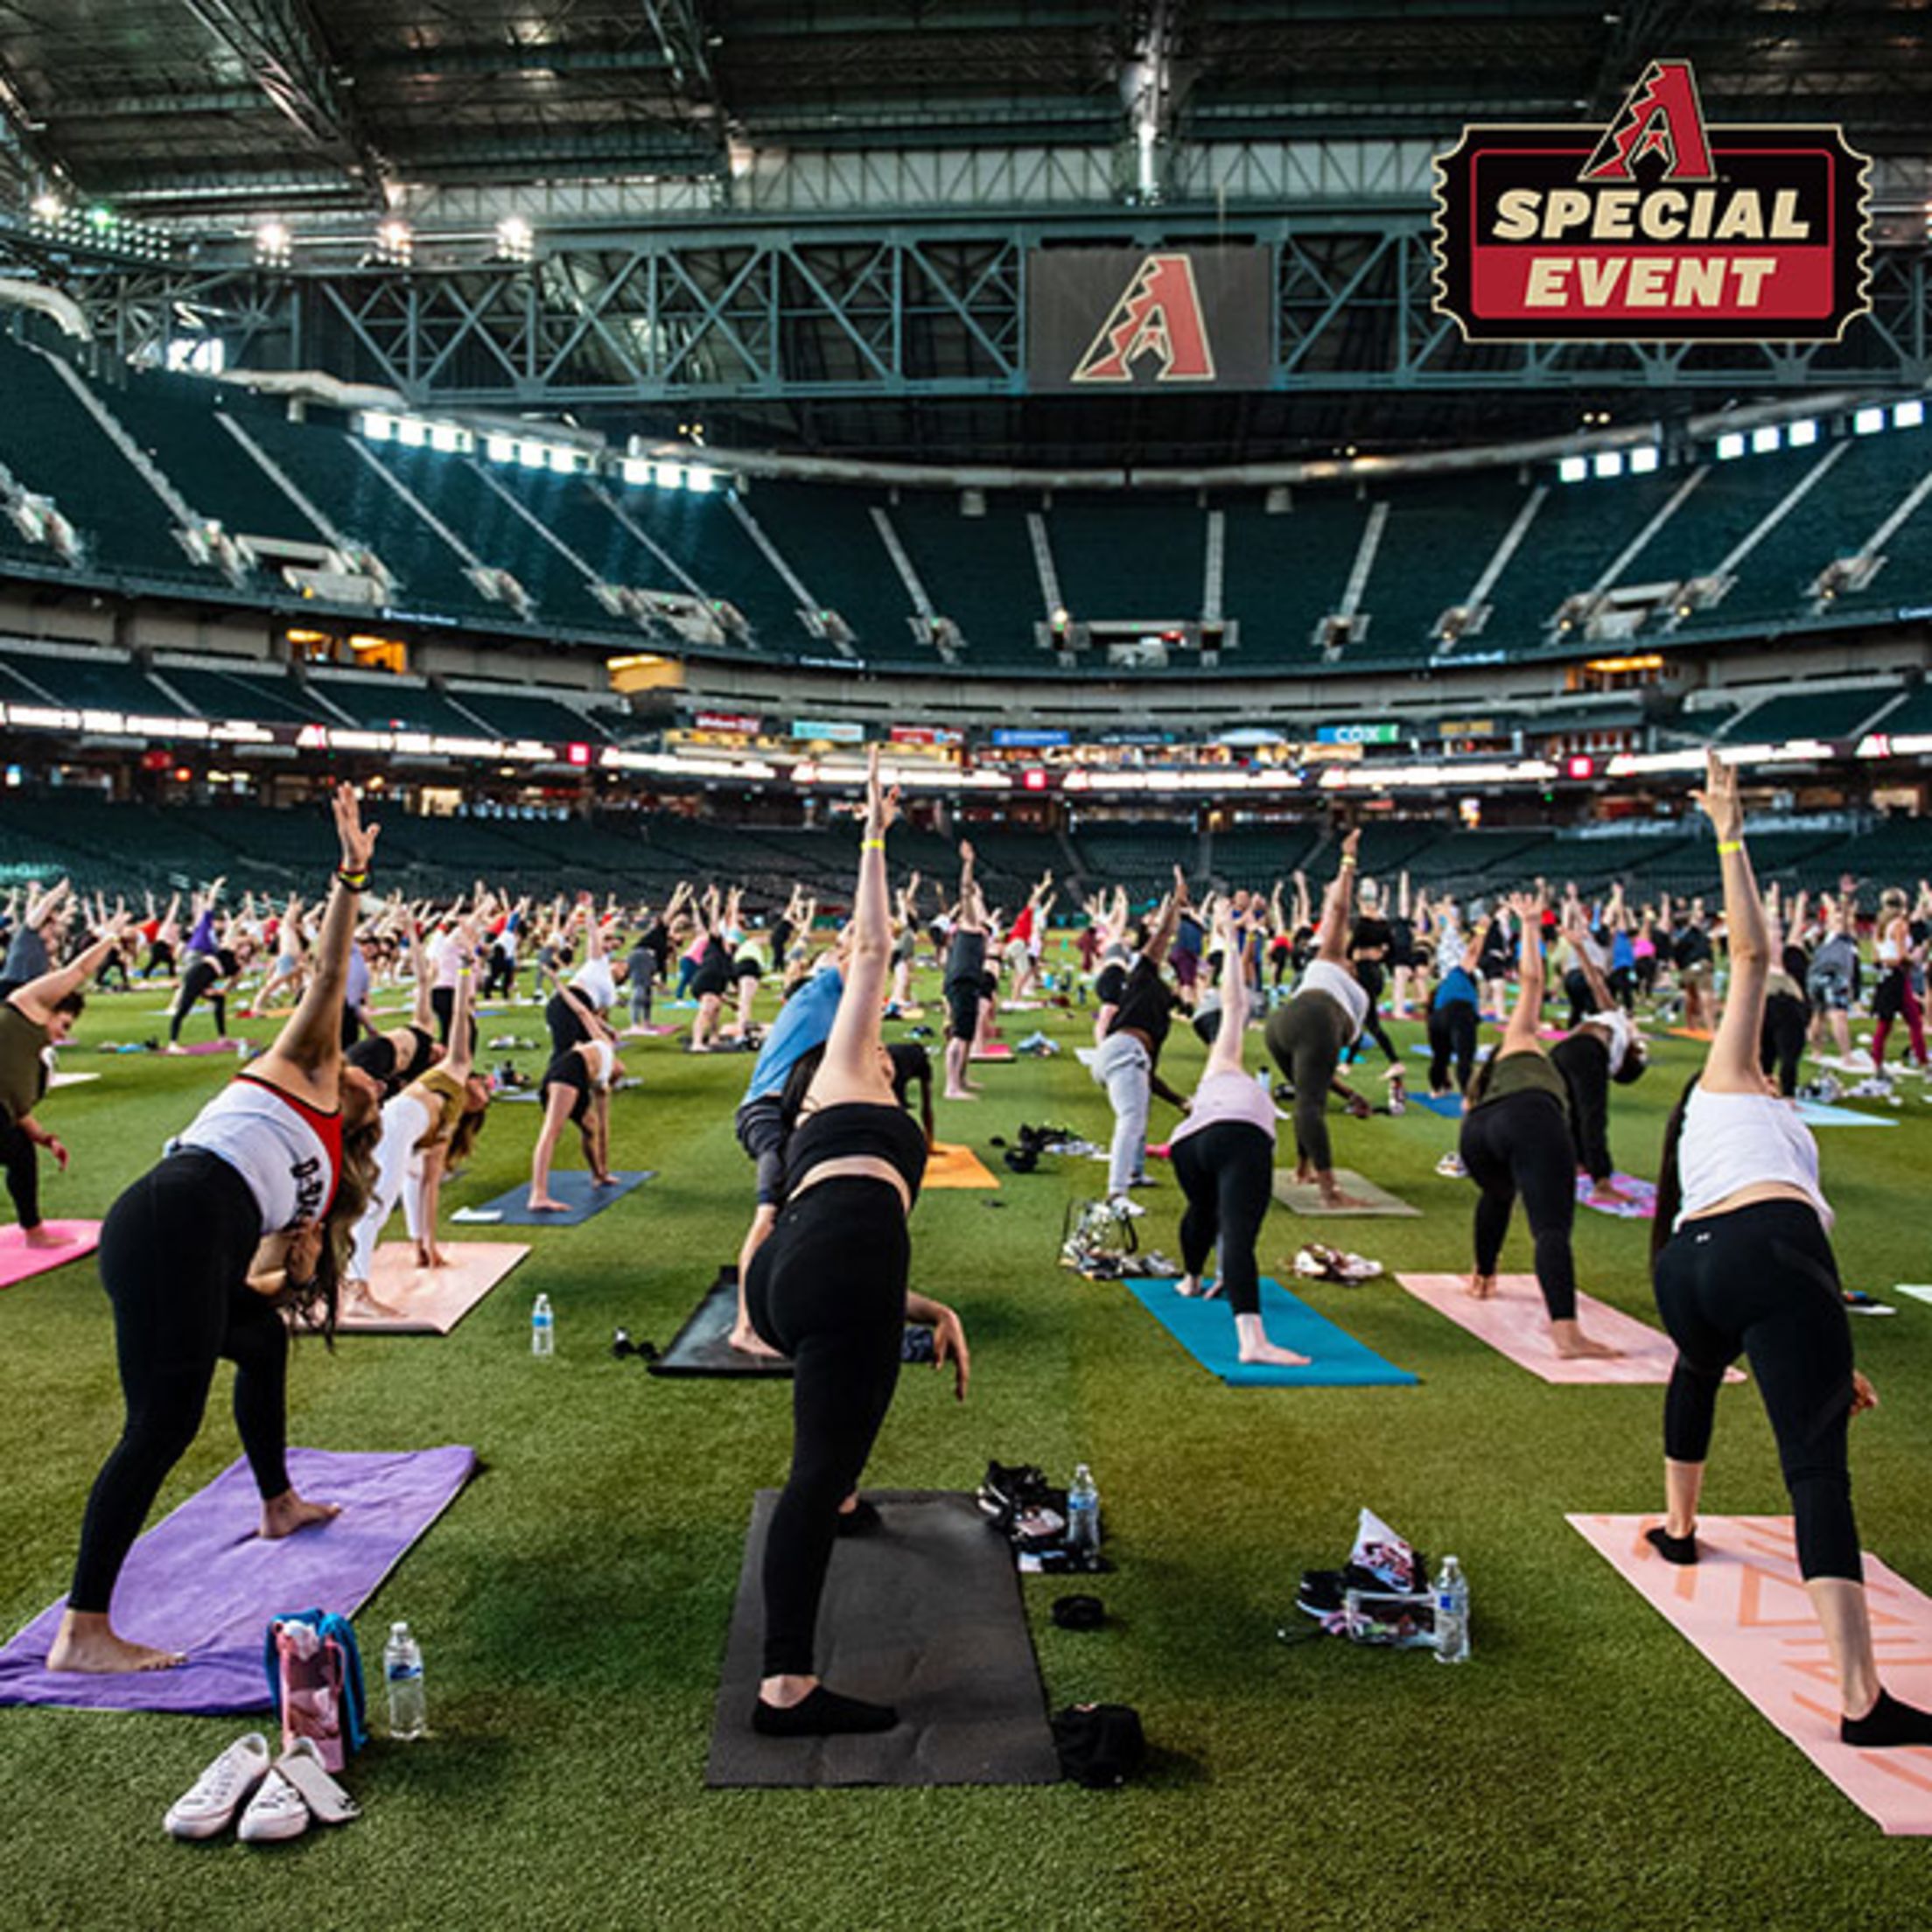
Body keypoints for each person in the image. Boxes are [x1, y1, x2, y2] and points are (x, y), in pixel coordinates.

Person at [49, 787, 384, 1675]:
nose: (368, 1073)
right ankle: (83, 1630)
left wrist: (302, 1258)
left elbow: (257, 1286)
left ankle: (277, 1500)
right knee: (159, 1428)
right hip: (173, 1213)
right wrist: (350, 874)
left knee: (262, 1341)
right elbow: (325, 973)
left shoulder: (316, 1171)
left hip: (193, 1234)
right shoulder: (301, 1066)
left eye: (373, 1083)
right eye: (365, 1066)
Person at [1646, 751, 1932, 1747]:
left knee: (1695, 1370)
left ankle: (1679, 1532)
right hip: (1766, 1254)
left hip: (1693, 1269)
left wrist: (1829, 1357)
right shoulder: (1730, 1071)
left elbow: (1804, 1256)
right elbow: (1753, 959)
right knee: (1816, 1473)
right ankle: (1862, 1702)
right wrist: (1730, 828)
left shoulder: (1733, 1116)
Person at [745, 749, 969, 1738]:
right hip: (828, 1272)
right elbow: (870, 953)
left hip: (800, 1278)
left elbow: (868, 1248)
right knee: (815, 1475)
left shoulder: (857, 1107)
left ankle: (835, 1501)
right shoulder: (846, 1075)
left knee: (828, 1456)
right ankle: (785, 1689)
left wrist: (935, 1310)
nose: (886, 1034)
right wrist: (875, 831)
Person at [1457, 891, 1620, 1360]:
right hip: (1528, 1119)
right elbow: (1531, 979)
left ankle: (1482, 1276)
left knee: (1499, 1194)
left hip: (1476, 1136)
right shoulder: (1522, 1040)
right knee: (1550, 1228)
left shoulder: (1493, 1069)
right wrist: (1530, 926)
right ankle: (1567, 1334)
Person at [1172, 903, 1306, 1367]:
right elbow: (1237, 1003)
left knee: (1204, 1209)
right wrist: (1229, 940)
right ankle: (1251, 1341)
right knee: (1238, 1232)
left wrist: (1230, 937)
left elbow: (1232, 1005)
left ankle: (1190, 1279)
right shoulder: (1225, 1061)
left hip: (1188, 1145)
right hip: (1238, 1137)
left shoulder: (1216, 1070)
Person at [346, 922, 492, 1303]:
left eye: (484, 1100)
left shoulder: (448, 1124)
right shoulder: (456, 1068)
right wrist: (463, 974)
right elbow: (461, 1016)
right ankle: (357, 1288)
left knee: (410, 1181)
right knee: (377, 1204)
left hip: (399, 1123)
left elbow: (428, 1187)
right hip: (394, 1121)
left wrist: (428, 1245)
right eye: (482, 1088)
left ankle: (413, 1247)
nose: (483, 1092)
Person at [730, 937, 849, 1357]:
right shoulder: (823, 990)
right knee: (770, 1209)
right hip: (765, 1114)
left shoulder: (835, 1005)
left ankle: (794, 1288)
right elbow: (864, 948)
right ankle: (745, 1328)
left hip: (791, 1114)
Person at [0, 919, 130, 1247]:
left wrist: (46, 1139)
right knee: (18, 1151)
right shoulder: (28, 1006)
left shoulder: (31, 1062)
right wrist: (109, 938)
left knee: (20, 1150)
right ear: (52, 1010)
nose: (63, 1034)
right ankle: (35, 1233)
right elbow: (78, 972)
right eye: (66, 1024)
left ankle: (34, 1232)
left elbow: (19, 1110)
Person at [1263, 833, 1374, 1210]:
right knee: (1310, 1105)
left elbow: (1321, 1076)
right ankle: (1330, 1192)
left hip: (1282, 1026)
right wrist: (1347, 864)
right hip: (1313, 1018)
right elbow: (1339, 911)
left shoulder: (1347, 982)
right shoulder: (1336, 960)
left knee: (1308, 1096)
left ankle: (1302, 1168)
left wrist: (1350, 1094)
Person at [1089, 867, 1190, 1210]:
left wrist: (1179, 1101)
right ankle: (1117, 1194)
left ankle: (1134, 1174)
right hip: (1121, 1052)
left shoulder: (1160, 1014)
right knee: (1131, 1118)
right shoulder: (1144, 977)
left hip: (1121, 1055)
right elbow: (1162, 937)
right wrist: (1175, 904)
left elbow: (1148, 1077)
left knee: (1139, 1106)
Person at [1549, 905, 1649, 1206]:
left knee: (1576, 1113)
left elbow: (1597, 982)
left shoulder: (1616, 1028)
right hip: (1582, 1050)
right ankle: (1601, 1180)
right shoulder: (1616, 1028)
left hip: (1567, 1049)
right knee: (1589, 1116)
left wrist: (1580, 949)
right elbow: (1595, 982)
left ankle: (1580, 1163)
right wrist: (1579, 949)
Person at [528, 1034, 625, 1210]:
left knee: (590, 1127)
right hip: (565, 1075)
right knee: (551, 1132)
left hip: (570, 1074)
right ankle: (538, 1195)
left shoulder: (599, 1055)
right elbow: (605, 1125)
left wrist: (604, 1170)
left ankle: (598, 1175)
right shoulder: (605, 1074)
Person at [942, 844, 987, 1102]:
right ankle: (951, 1086)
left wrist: (977, 896)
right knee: (959, 1036)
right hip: (962, 983)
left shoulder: (976, 927)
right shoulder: (968, 924)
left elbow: (975, 900)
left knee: (966, 1035)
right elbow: (965, 892)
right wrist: (968, 864)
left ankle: (961, 1079)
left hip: (968, 983)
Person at [1869, 886, 1928, 1074]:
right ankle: (1923, 1061)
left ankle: (1877, 1061)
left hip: (1884, 977)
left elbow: (1876, 958)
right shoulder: (1900, 925)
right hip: (1898, 977)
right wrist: (1916, 956)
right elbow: (1902, 956)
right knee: (1915, 1022)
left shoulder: (1879, 925)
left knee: (1885, 1024)